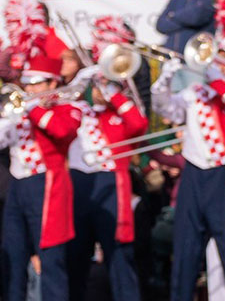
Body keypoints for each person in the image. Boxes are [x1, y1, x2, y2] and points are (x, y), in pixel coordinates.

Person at [152, 33, 225, 301]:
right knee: (184, 254)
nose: (220, 61)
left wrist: (216, 78)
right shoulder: (196, 92)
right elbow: (167, 110)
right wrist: (164, 82)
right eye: (220, 55)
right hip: (193, 175)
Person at [0, 53, 84, 301]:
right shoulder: (21, 111)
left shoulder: (69, 107)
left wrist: (33, 109)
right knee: (12, 254)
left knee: (50, 258)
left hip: (47, 184)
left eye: (37, 83)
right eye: (29, 83)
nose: (30, 89)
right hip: (17, 185)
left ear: (53, 83)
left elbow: (63, 131)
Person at [66, 69, 148, 301]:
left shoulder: (117, 115)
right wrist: (76, 84)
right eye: (98, 84)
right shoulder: (79, 110)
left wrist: (114, 94)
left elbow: (139, 125)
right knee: (76, 256)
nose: (100, 89)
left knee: (120, 256)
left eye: (108, 85)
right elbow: (56, 111)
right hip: (79, 184)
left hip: (111, 184)